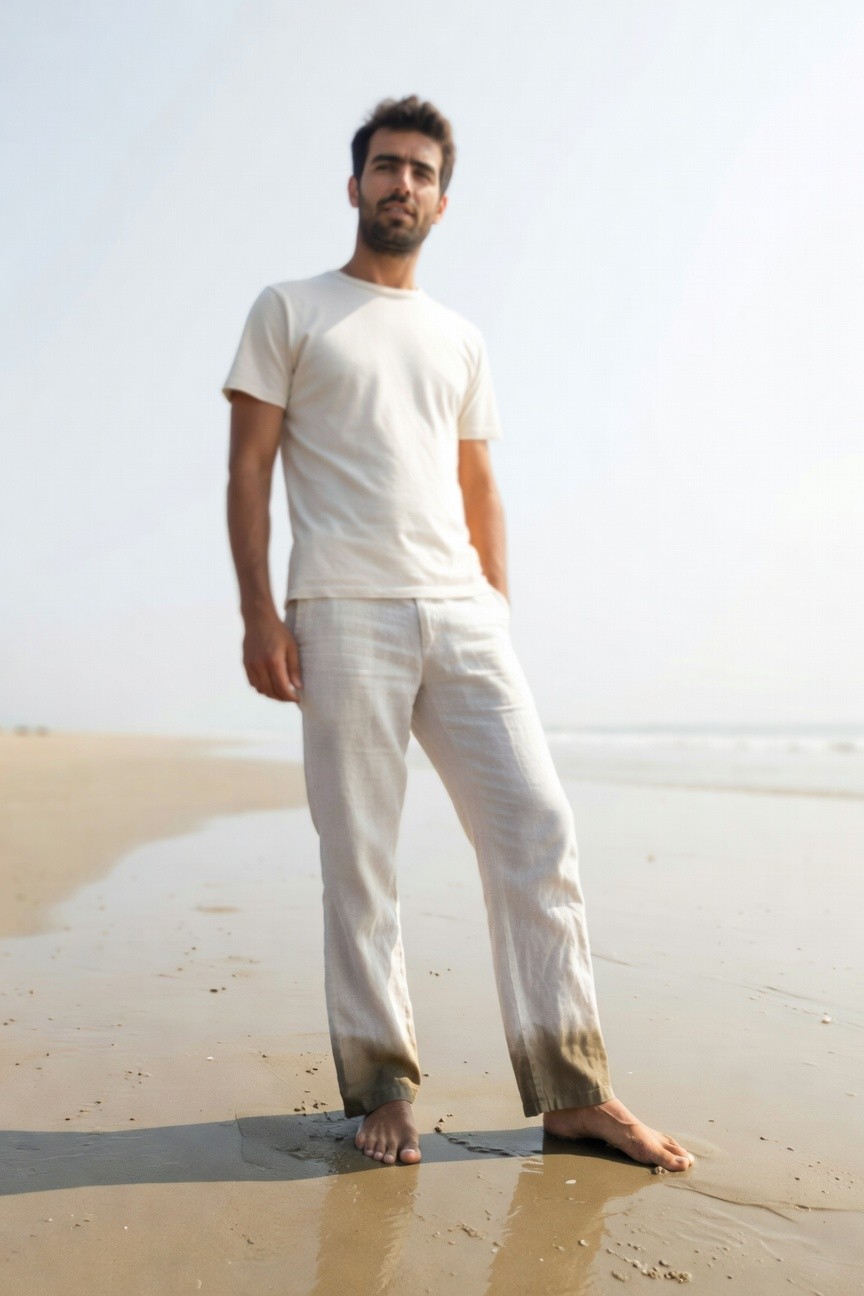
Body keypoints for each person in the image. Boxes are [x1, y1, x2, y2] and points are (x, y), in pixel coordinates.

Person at [223, 96, 693, 1172]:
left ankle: (574, 1090)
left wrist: (498, 611)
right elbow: (249, 467)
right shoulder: (290, 308)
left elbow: (480, 483)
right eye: (386, 167)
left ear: (442, 197)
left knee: (537, 830)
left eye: (422, 173)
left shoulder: (461, 336)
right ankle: (382, 1084)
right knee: (362, 858)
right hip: (341, 608)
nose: (402, 185)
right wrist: (259, 609)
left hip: (463, 616)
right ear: (354, 186)